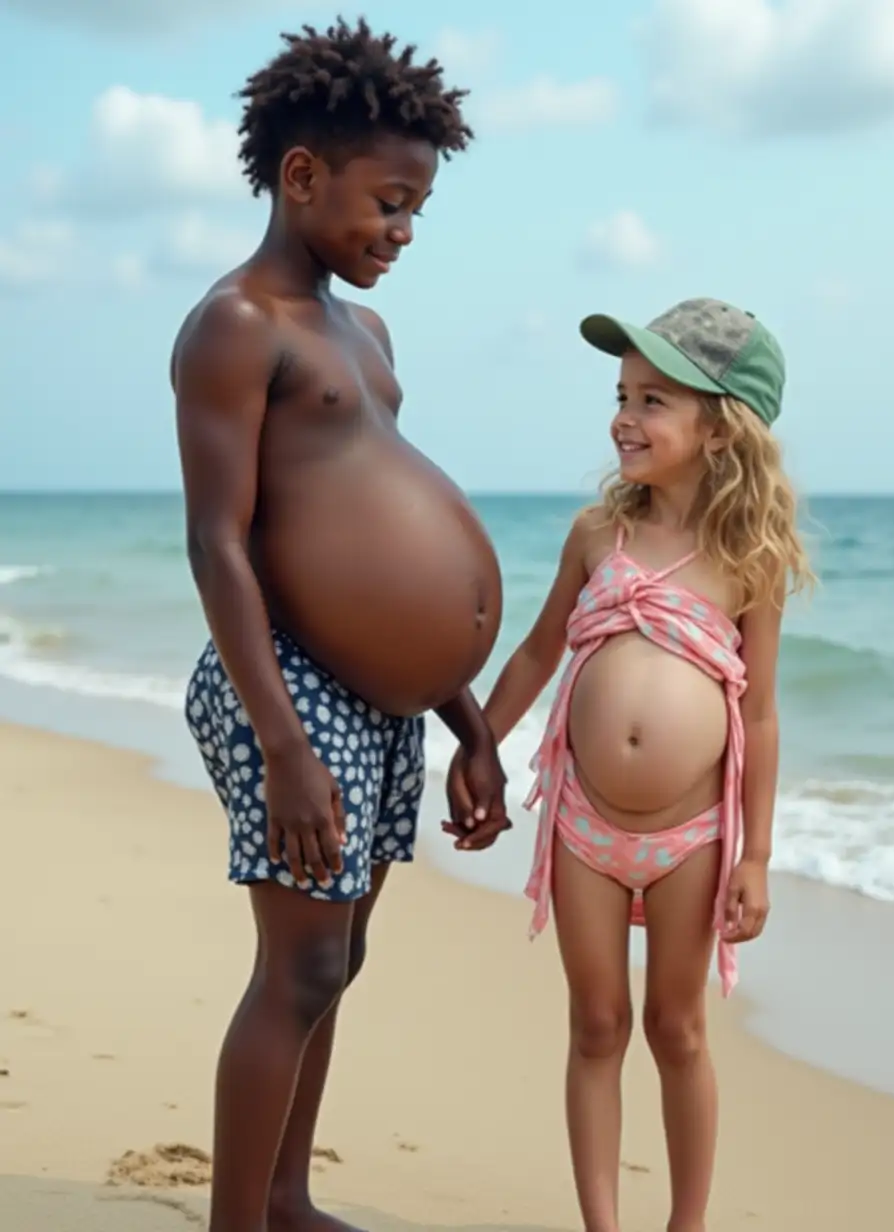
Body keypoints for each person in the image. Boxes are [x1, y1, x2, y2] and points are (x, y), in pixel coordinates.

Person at [171, 19, 510, 1232]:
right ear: (302, 176)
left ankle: (284, 1194)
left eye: (417, 208)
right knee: (300, 960)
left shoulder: (364, 334)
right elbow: (221, 540)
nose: (403, 231)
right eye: (389, 201)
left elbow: (370, 528)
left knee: (342, 955)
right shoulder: (236, 324)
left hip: (379, 695)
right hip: (287, 687)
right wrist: (281, 743)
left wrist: (467, 717)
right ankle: (235, 1221)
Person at [446, 298, 814, 1232]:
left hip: (692, 838)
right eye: (621, 394)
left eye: (654, 399)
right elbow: (535, 655)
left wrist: (756, 855)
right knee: (598, 1024)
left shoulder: (747, 559)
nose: (624, 416)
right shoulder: (593, 535)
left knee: (677, 1029)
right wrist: (479, 747)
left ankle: (686, 1224)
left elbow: (760, 716)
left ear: (722, 430)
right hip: (583, 823)